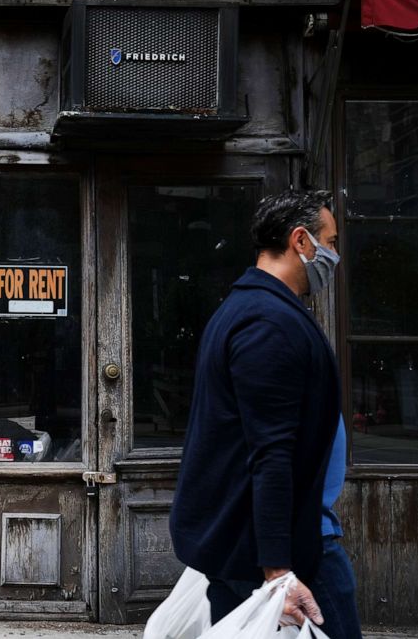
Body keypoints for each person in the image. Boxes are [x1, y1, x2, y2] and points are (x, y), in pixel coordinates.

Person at [170, 189, 361, 638]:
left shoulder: (252, 309)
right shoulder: (266, 323)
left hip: (265, 537)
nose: (334, 255)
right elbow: (270, 452)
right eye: (330, 243)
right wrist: (278, 570)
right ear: (300, 241)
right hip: (285, 543)